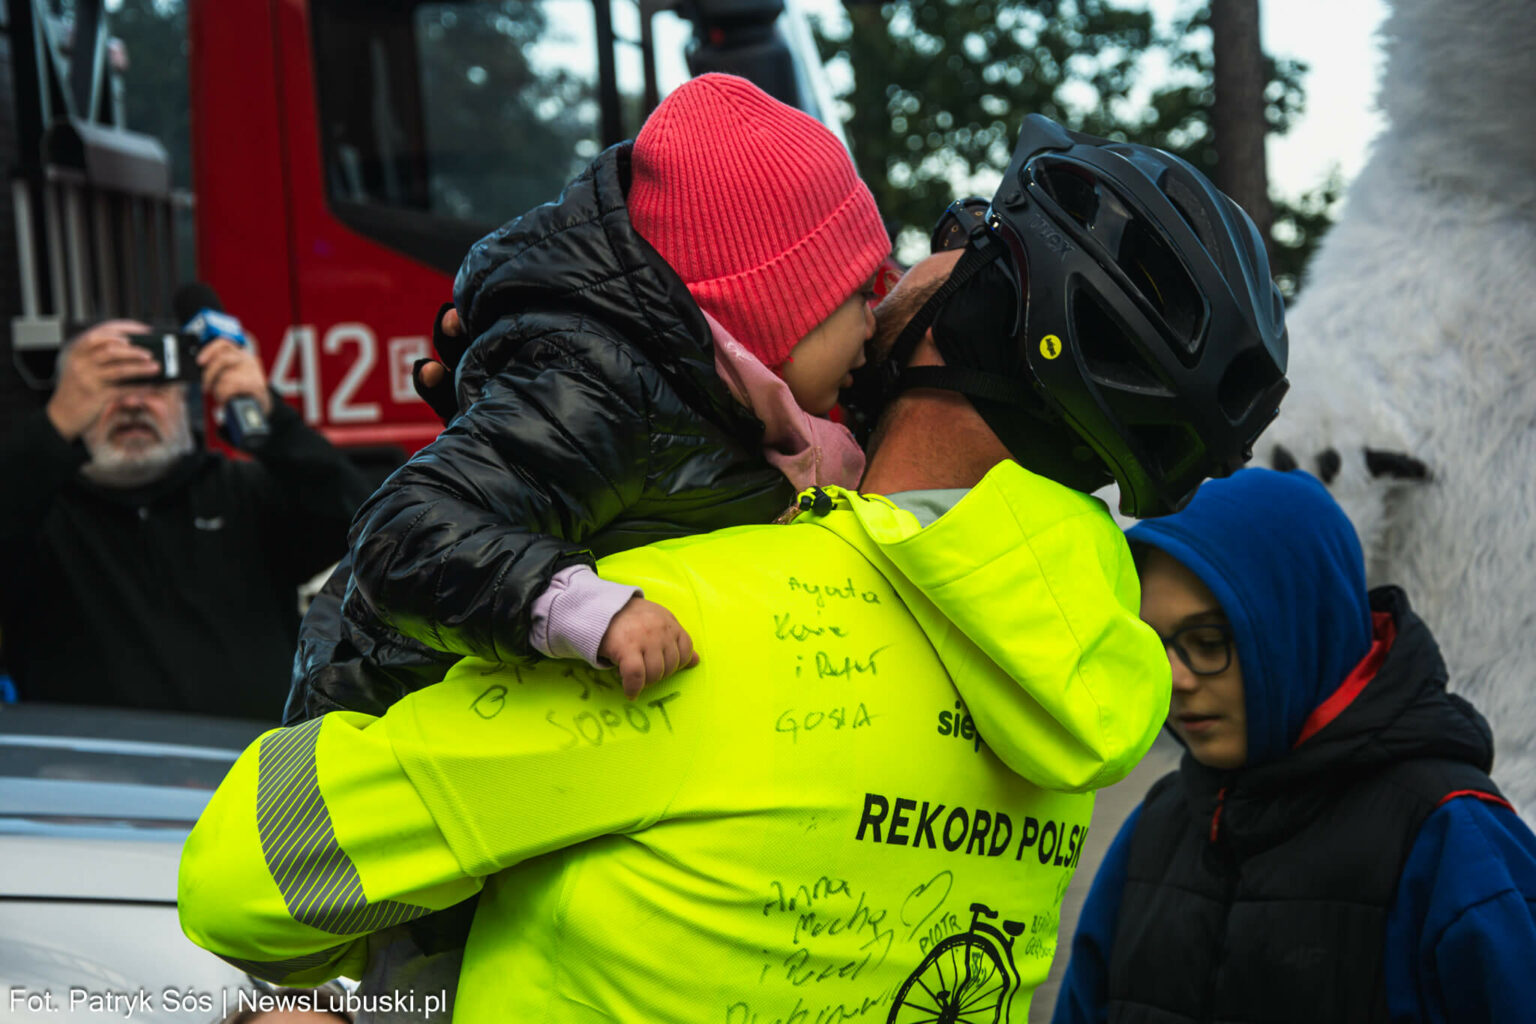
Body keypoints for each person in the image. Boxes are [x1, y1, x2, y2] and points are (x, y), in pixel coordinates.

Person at [179, 113, 1288, 1021]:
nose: (896, 268)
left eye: (955, 238)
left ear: (969, 326)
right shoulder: (1082, 699)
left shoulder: (696, 617)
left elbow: (238, 883)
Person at [286, 73, 891, 722]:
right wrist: (585, 609)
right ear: (776, 308)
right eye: (857, 291)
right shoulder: (603, 390)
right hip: (384, 726)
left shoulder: (728, 402)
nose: (876, 318)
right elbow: (400, 533)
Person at [1050, 468, 1536, 1024]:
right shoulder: (1158, 826)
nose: (1176, 678)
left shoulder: (1453, 838)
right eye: (1155, 645)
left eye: (1207, 642)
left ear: (1303, 627)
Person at [0, 318, 371, 719]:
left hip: (247, 768)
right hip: (89, 775)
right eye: (109, 386)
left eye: (155, 385)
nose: (132, 403)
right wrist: (50, 433)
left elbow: (370, 530)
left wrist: (273, 417)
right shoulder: (37, 511)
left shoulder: (242, 491)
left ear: (186, 401)